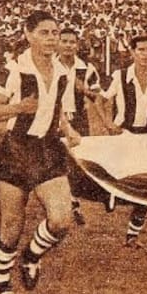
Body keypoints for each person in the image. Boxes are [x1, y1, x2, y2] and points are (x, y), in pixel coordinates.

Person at [0, 11, 81, 294]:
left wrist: (68, 128)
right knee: (11, 225)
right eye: (45, 33)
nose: (51, 39)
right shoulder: (13, 69)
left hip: (48, 149)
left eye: (55, 33)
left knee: (61, 220)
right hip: (16, 150)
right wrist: (19, 108)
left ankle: (32, 255)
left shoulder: (62, 70)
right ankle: (1, 284)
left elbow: (57, 107)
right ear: (28, 34)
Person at [96, 34, 147, 249]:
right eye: (141, 50)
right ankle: (111, 196)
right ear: (132, 52)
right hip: (124, 135)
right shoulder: (119, 76)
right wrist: (108, 124)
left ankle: (133, 234)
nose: (145, 54)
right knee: (120, 178)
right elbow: (100, 100)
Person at [56, 27, 102, 225]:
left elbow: (97, 95)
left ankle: (73, 201)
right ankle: (65, 202)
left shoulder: (86, 68)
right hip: (55, 119)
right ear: (58, 43)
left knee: (77, 161)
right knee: (56, 160)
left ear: (77, 45)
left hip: (78, 118)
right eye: (64, 41)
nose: (68, 45)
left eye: (72, 42)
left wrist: (84, 89)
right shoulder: (50, 64)